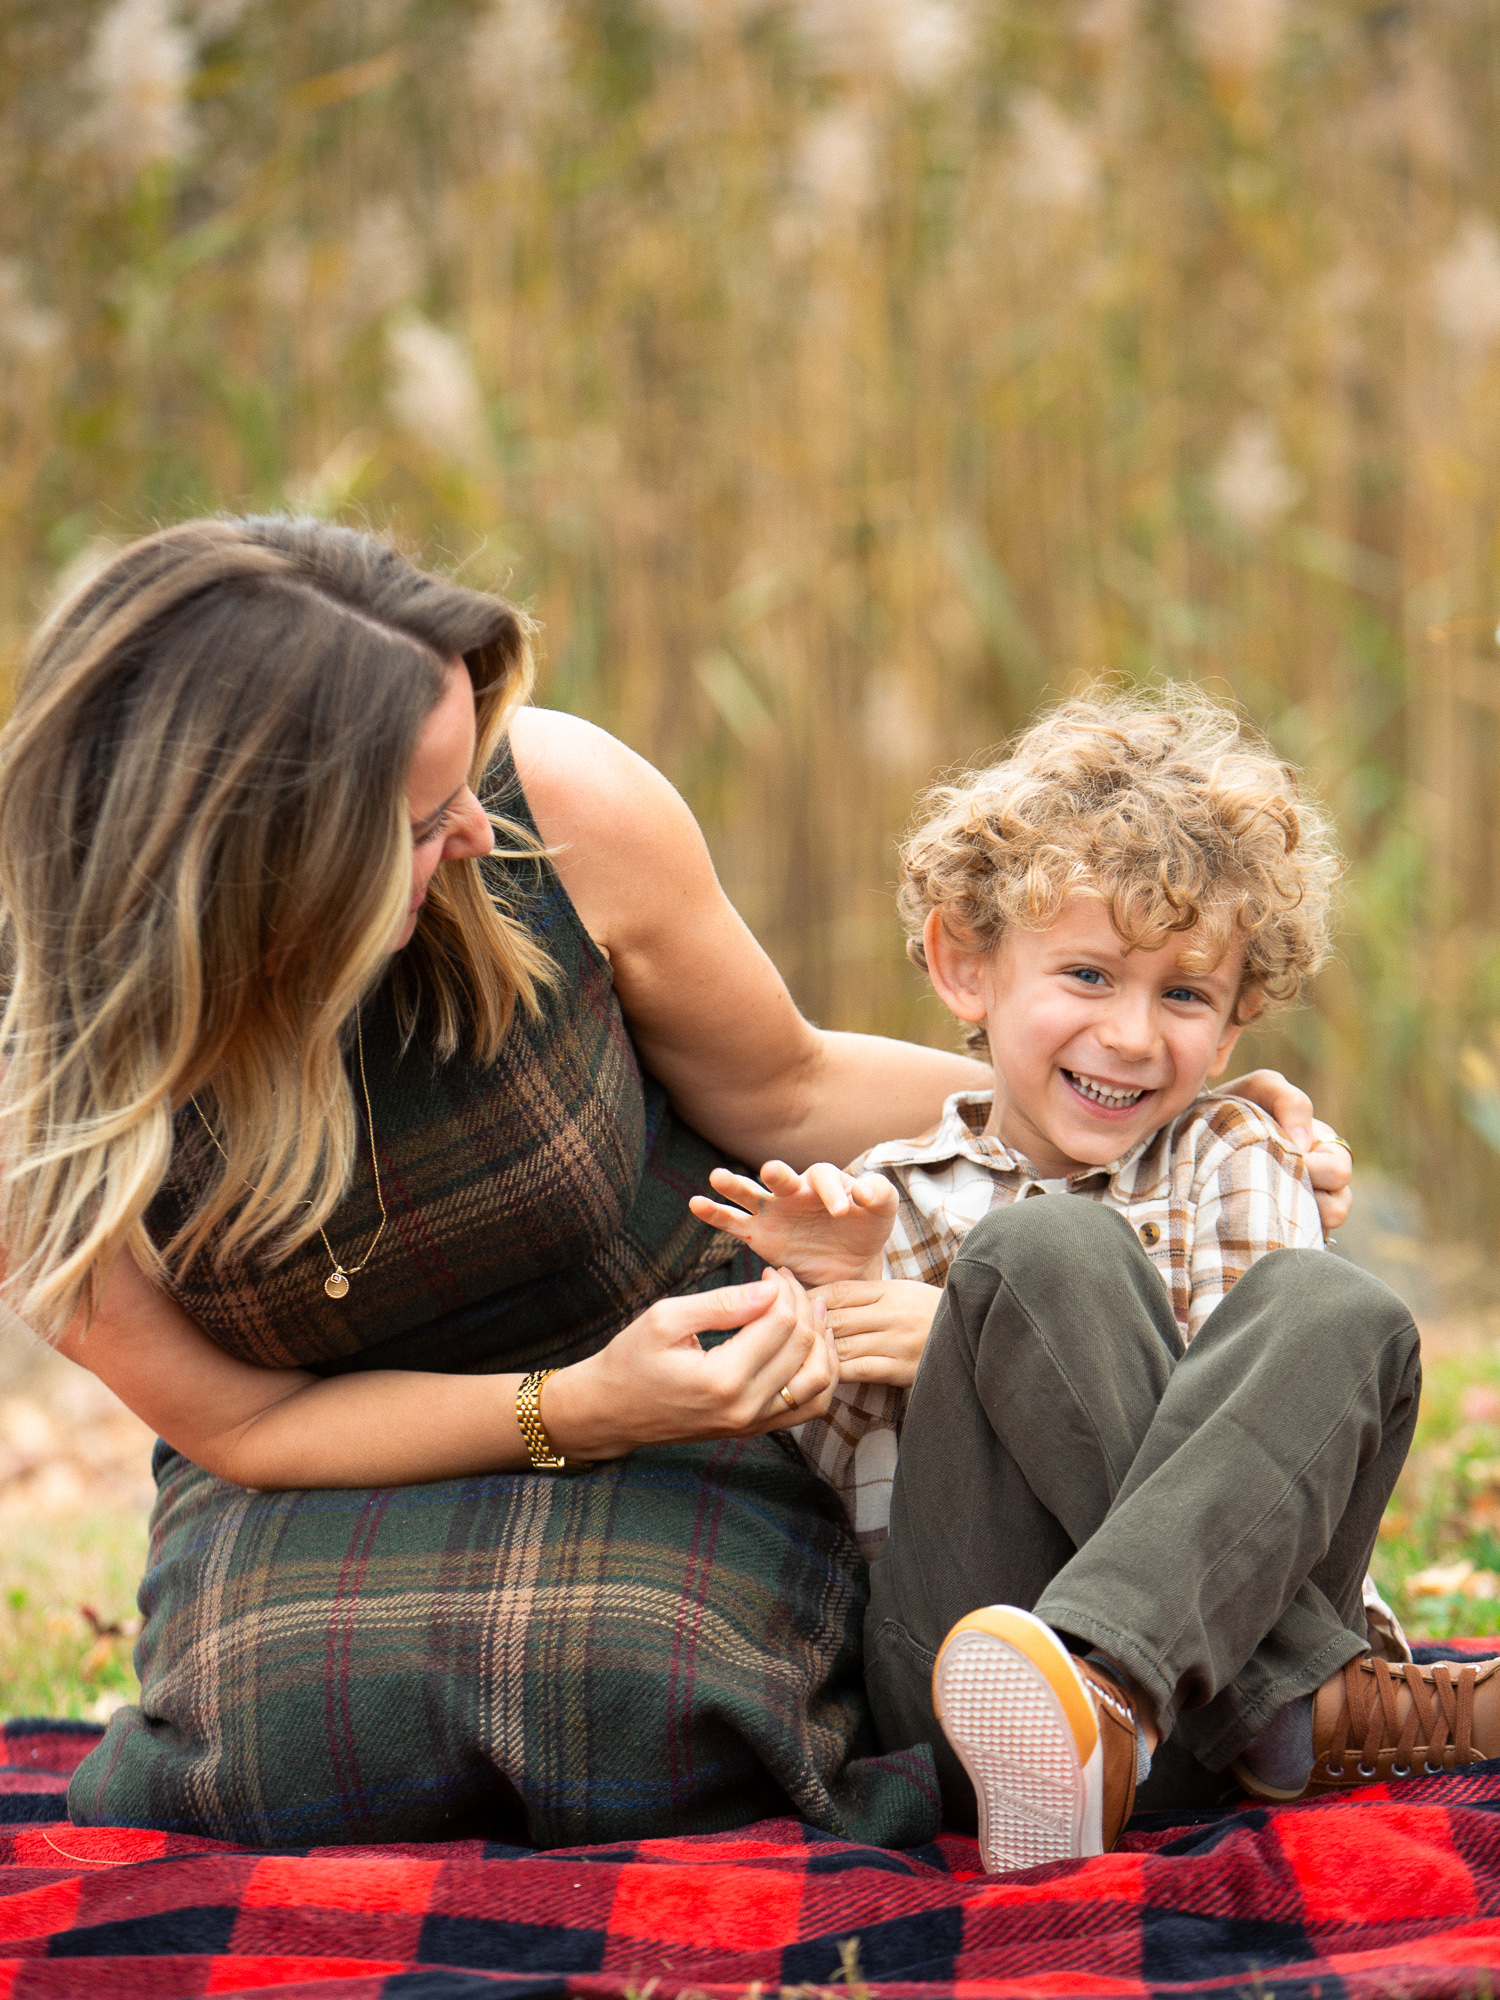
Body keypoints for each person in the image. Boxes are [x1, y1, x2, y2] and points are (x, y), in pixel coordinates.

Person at [0, 517, 1348, 1851]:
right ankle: (1282, 1701)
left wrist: (1160, 1118)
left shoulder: (560, 807)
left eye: (472, 772)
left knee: (651, 1692)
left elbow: (793, 1088)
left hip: (698, 1396)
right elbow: (244, 1428)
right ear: (262, 857)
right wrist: (573, 1408)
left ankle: (1215, 1704)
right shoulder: (32, 1098)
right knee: (286, 1736)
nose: (477, 828)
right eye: (420, 820)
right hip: (325, 1460)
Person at [691, 693, 1500, 1874]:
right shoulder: (884, 1203)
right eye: (1087, 972)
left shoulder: (1239, 1156)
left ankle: (1122, 1684)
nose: (1129, 1033)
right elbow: (827, 1488)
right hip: (982, 1686)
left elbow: (1269, 1433)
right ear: (965, 965)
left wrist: (962, 1330)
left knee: (1342, 1308)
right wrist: (881, 1319)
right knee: (1037, 1252)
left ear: (1230, 1029)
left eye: (1183, 994)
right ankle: (1298, 1703)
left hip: (1206, 1670)